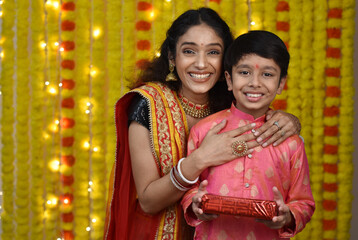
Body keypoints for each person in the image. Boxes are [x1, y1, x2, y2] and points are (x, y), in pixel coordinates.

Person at [103, 9, 302, 240]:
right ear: (171, 57)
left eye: (213, 52)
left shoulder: (234, 102)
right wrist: (200, 159)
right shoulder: (148, 105)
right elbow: (148, 202)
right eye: (189, 51)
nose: (200, 63)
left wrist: (291, 121)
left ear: (226, 62)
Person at [181, 30, 315, 240]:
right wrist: (195, 204)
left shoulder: (290, 143)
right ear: (229, 79)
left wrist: (287, 216)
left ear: (281, 83)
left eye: (268, 74)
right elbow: (189, 188)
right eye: (244, 73)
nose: (255, 83)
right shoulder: (204, 131)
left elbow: (304, 202)